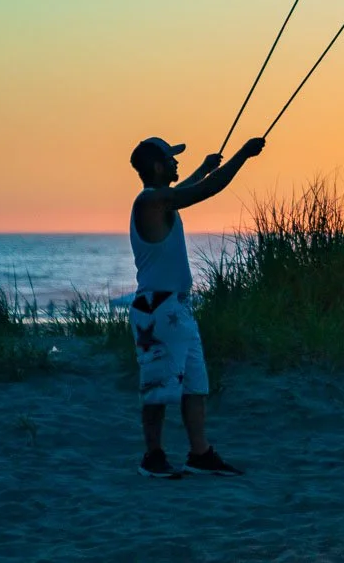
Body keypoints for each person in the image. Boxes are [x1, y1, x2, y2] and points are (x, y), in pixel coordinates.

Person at [127, 134, 263, 479]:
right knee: (157, 387)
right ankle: (153, 456)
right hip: (157, 310)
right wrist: (242, 155)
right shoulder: (150, 202)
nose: (176, 163)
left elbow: (187, 189)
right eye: (171, 159)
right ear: (157, 166)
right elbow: (206, 190)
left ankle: (199, 454)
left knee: (195, 386)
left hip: (177, 309)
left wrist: (203, 167)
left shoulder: (160, 200)